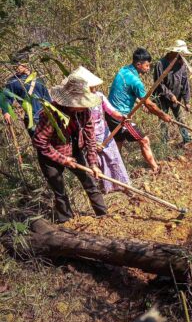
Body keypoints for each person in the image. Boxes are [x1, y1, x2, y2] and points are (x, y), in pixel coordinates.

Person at [32, 75, 107, 223]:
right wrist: (63, 160)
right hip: (51, 156)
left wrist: (93, 163)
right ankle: (67, 222)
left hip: (74, 150)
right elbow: (39, 141)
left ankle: (104, 216)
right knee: (59, 191)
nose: (83, 106)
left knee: (90, 182)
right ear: (69, 102)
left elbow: (90, 138)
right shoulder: (51, 113)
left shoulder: (84, 112)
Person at [107, 48, 172, 172]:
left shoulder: (123, 70)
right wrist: (163, 115)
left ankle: (116, 171)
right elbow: (150, 104)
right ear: (138, 64)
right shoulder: (136, 81)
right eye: (147, 65)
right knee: (144, 140)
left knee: (118, 142)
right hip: (121, 117)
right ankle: (155, 168)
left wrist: (139, 103)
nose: (148, 68)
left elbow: (124, 92)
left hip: (110, 113)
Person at [68, 66, 131, 194]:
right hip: (89, 137)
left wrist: (121, 117)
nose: (94, 89)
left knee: (114, 160)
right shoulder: (77, 102)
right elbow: (78, 125)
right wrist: (91, 142)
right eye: (91, 87)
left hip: (105, 133)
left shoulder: (100, 96)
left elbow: (110, 110)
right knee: (97, 163)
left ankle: (123, 186)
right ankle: (105, 189)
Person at [2, 51, 53, 137]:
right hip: (31, 119)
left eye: (17, 64)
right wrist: (6, 112)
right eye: (14, 65)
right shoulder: (13, 81)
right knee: (40, 146)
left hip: (47, 118)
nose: (15, 67)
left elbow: (47, 98)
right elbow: (6, 98)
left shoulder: (38, 78)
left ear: (25, 64)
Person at [153, 40, 192, 145]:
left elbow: (185, 83)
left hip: (177, 97)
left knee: (179, 118)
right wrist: (170, 95)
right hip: (162, 97)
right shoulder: (160, 64)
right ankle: (164, 143)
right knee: (163, 119)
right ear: (173, 52)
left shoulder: (181, 64)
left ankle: (186, 139)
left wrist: (186, 101)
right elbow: (159, 84)